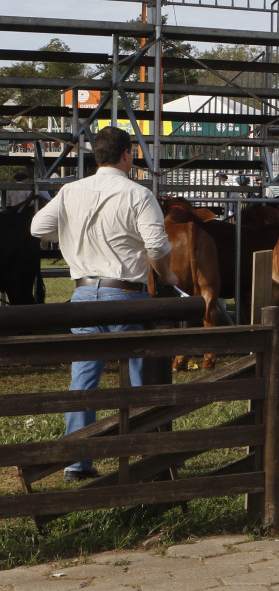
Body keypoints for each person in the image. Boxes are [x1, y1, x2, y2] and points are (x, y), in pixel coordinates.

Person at [29, 126, 178, 482]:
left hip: (83, 295)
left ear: (97, 155)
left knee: (83, 377)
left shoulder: (70, 191)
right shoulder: (138, 194)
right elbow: (156, 247)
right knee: (138, 374)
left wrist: (69, 233)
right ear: (127, 154)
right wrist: (168, 277)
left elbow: (37, 228)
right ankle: (144, 453)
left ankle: (77, 462)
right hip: (125, 293)